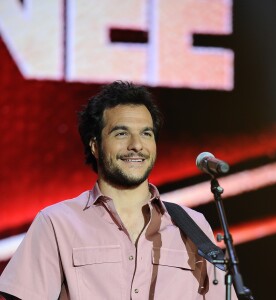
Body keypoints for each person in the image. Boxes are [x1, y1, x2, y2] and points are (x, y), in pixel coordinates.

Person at [0, 81, 237, 299]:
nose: (136, 145)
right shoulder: (56, 223)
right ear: (95, 145)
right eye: (121, 133)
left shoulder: (193, 226)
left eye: (146, 133)